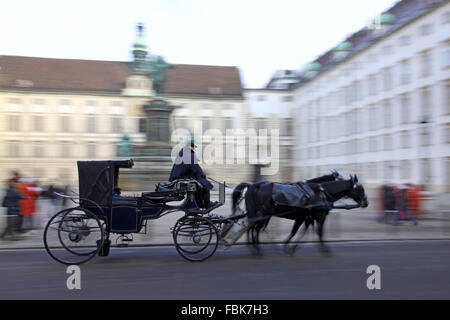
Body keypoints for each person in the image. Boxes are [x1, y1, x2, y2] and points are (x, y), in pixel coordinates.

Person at [169, 137, 215, 208]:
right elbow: (196, 169)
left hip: (177, 178)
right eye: (194, 146)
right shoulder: (190, 154)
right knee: (204, 183)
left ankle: (198, 202)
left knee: (198, 182)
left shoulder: (183, 152)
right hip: (181, 180)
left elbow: (191, 168)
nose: (195, 148)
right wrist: (203, 175)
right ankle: (206, 203)